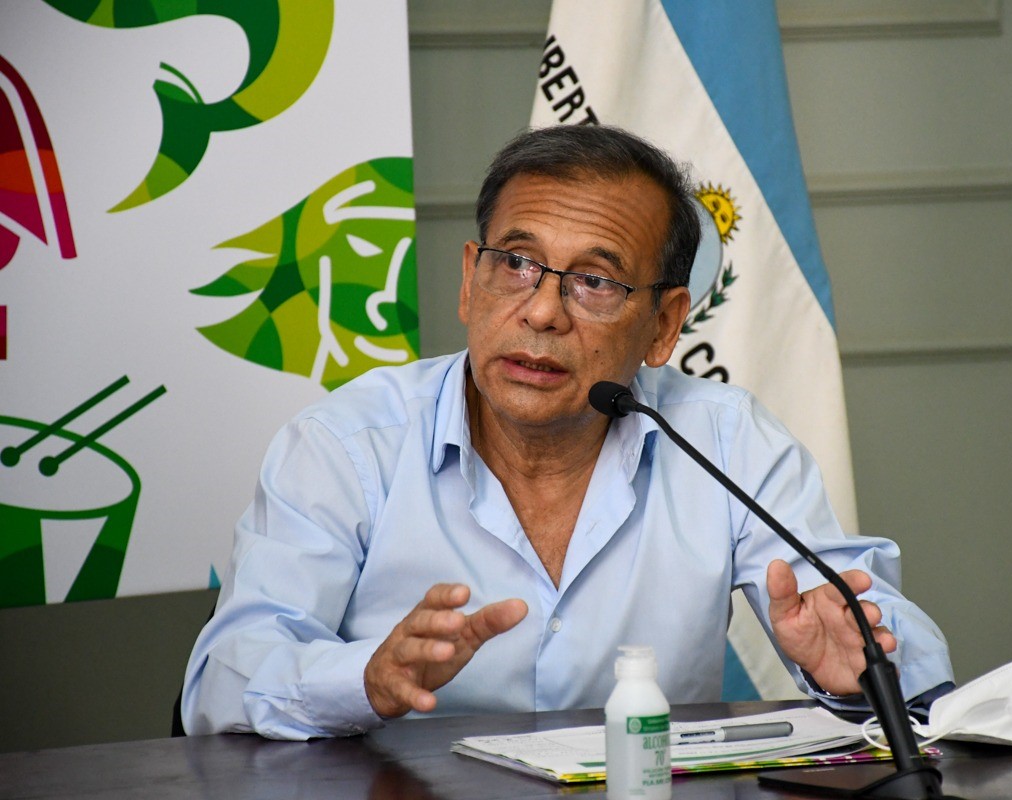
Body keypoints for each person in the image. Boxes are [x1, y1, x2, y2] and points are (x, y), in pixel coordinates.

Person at [182, 125, 953, 739]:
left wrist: (861, 667)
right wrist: (366, 680)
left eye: (595, 281)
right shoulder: (346, 445)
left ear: (665, 325)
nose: (543, 311)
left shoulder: (724, 441)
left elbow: (900, 650)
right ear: (469, 280)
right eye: (516, 263)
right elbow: (221, 683)